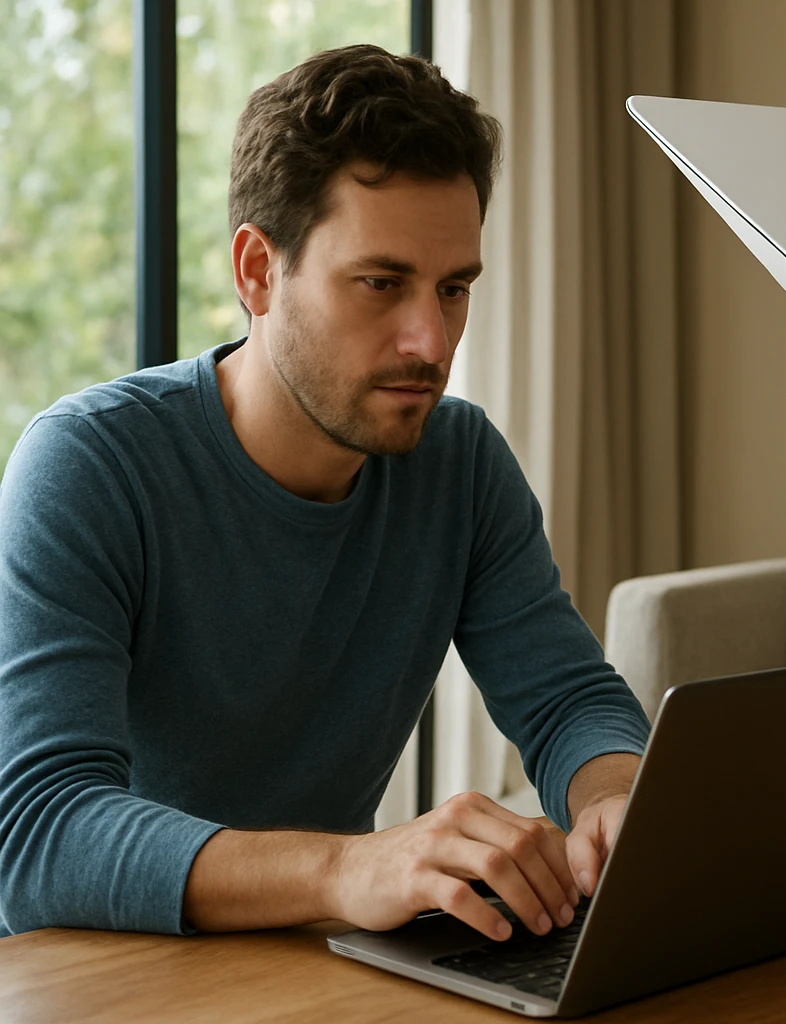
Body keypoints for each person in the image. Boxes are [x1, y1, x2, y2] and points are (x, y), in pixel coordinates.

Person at [0, 45, 650, 942]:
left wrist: (615, 797)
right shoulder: (87, 466)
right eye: (382, 284)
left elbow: (568, 700)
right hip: (101, 980)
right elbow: (40, 837)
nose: (430, 340)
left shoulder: (458, 465)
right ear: (258, 271)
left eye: (453, 288)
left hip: (306, 968)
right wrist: (350, 865)